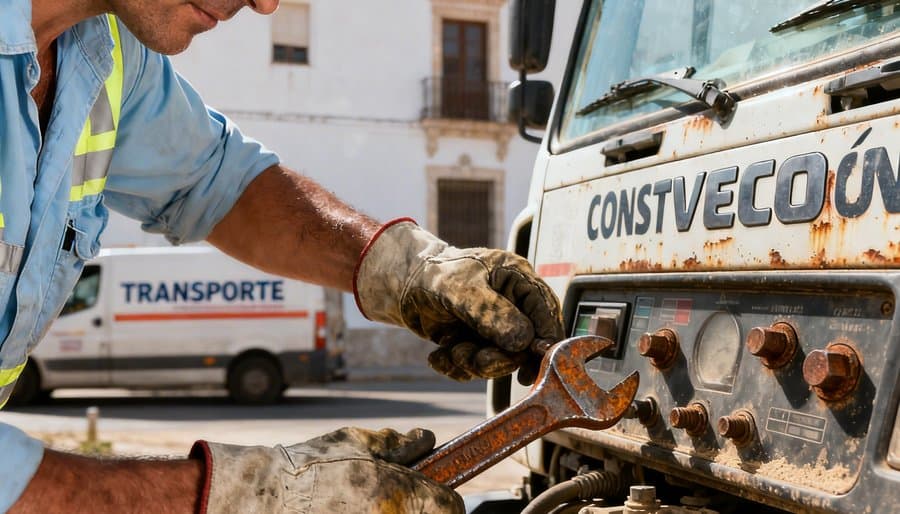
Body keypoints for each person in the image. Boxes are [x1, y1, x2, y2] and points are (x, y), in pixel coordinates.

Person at [0, 0, 564, 512]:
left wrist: (404, 266)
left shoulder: (105, 51)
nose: (267, 5)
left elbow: (218, 181)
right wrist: (240, 496)